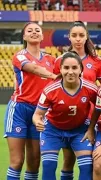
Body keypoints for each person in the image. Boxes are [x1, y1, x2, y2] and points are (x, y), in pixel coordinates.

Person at [53, 21, 101, 180]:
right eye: (74, 35)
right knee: (68, 160)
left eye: (81, 35)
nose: (78, 39)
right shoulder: (60, 61)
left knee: (88, 162)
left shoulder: (96, 61)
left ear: (86, 37)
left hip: (90, 119)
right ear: (69, 37)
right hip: (67, 117)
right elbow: (55, 89)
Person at [32, 52, 97, 180]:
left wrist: (91, 128)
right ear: (60, 69)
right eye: (66, 68)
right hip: (52, 130)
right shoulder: (50, 90)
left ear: (80, 70)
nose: (70, 72)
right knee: (49, 165)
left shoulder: (91, 88)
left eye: (74, 68)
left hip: (79, 130)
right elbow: (37, 115)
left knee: (87, 166)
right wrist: (37, 121)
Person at [4, 22, 56, 180]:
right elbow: (33, 69)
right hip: (19, 109)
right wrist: (53, 76)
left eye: (37, 30)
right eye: (30, 31)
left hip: (40, 112)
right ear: (24, 36)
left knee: (34, 161)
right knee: (17, 161)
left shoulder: (51, 59)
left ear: (42, 36)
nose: (34, 32)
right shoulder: (19, 56)